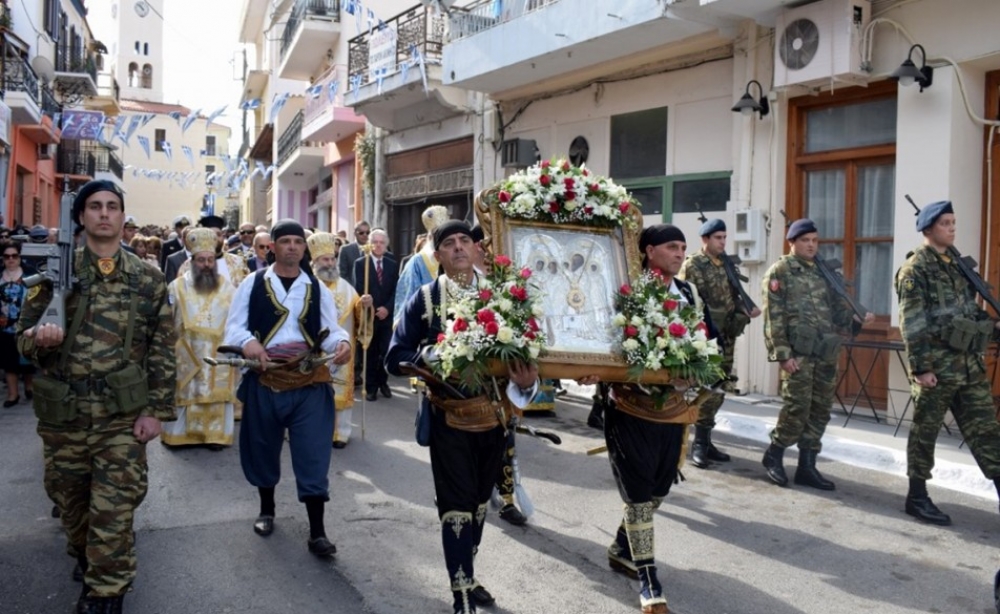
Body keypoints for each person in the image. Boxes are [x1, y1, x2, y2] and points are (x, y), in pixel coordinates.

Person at [16, 179, 176, 613]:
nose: (104, 213)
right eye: (94, 206)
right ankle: (91, 561)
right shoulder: (53, 274)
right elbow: (21, 342)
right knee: (71, 504)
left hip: (120, 416)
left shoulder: (147, 278)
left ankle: (106, 594)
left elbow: (162, 347)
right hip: (63, 414)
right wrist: (39, 338)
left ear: (123, 217)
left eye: (112, 206)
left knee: (114, 508)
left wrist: (157, 411)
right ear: (81, 217)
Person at [386, 220, 539, 614]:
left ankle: (465, 573)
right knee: (455, 505)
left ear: (477, 250)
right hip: (449, 419)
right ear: (436, 256)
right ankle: (462, 596)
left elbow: (529, 359)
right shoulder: (425, 298)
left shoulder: (505, 298)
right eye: (448, 244)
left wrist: (527, 380)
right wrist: (430, 358)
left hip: (496, 421)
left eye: (464, 241)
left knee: (477, 505)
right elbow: (395, 356)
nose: (457, 248)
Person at [588, 224, 716, 614]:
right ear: (648, 251)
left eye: (683, 247)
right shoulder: (626, 290)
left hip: (675, 409)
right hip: (629, 407)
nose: (680, 254)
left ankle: (622, 548)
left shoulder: (689, 292)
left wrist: (696, 369)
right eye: (671, 247)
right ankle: (648, 579)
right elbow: (603, 337)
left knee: (659, 487)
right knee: (640, 492)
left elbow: (710, 342)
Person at [223, 219, 352, 558]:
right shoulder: (251, 284)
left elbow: (332, 328)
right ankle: (267, 510)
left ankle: (318, 532)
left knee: (313, 455)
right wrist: (249, 342)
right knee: (263, 448)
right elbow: (233, 329)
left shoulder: (315, 286)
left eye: (298, 241)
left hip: (309, 381)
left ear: (304, 248)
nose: (292, 247)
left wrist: (342, 344)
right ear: (272, 247)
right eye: (285, 242)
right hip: (265, 381)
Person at [895, 200, 1000, 525]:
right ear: (928, 229)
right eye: (945, 223)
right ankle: (917, 496)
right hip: (936, 368)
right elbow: (912, 322)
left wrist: (990, 329)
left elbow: (968, 312)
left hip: (967, 365)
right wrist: (921, 368)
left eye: (954, 222)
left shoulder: (958, 265)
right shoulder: (916, 269)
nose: (952, 228)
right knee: (925, 432)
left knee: (987, 431)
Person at [760, 218, 873, 491]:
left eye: (814, 241)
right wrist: (783, 355)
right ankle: (774, 454)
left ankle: (807, 466)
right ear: (792, 243)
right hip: (798, 353)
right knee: (797, 407)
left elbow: (838, 310)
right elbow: (773, 319)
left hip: (825, 352)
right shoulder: (781, 271)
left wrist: (857, 320)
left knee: (821, 409)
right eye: (805, 241)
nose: (811, 245)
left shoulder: (824, 271)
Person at [678, 218, 761, 468]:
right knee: (706, 386)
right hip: (706, 338)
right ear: (705, 239)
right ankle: (698, 443)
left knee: (719, 387)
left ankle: (707, 439)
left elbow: (733, 296)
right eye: (718, 238)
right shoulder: (693, 264)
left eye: (725, 237)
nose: (723, 242)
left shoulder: (726, 264)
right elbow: (685, 300)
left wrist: (746, 308)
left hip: (727, 336)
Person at [162, 228, 238, 450]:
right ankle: (180, 436)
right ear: (192, 260)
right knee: (187, 391)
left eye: (211, 259)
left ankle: (214, 436)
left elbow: (236, 318)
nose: (206, 264)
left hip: (218, 352)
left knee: (216, 393)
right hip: (187, 351)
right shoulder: (176, 287)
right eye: (201, 259)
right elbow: (166, 320)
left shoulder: (227, 287)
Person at [307, 232, 363, 448]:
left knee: (339, 388)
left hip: (341, 350)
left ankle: (340, 433)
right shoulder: (307, 285)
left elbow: (359, 315)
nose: (329, 263)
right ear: (315, 262)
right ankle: (312, 431)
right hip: (314, 351)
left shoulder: (346, 288)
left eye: (332, 259)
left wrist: (364, 307)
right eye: (324, 260)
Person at [353, 228, 397, 402]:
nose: (378, 245)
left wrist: (387, 308)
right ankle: (370, 387)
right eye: (375, 242)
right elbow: (358, 288)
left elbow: (396, 290)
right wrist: (370, 305)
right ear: (370, 244)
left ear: (386, 245)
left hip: (387, 315)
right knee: (370, 352)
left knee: (386, 351)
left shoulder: (392, 264)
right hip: (369, 316)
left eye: (382, 242)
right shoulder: (360, 263)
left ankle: (383, 382)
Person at [394, 206, 450, 324]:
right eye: (437, 235)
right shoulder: (416, 263)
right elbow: (406, 300)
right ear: (429, 237)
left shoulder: (454, 258)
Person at [0, 240, 34, 407]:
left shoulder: (30, 276)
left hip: (26, 325)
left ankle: (29, 387)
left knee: (27, 359)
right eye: (7, 257)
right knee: (9, 362)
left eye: (14, 256)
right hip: (4, 327)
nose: (11, 259)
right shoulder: (0, 276)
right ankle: (13, 395)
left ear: (20, 257)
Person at [175, 215, 250, 288]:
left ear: (223, 237)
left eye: (218, 234)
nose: (215, 239)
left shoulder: (237, 262)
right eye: (211, 235)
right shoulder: (188, 266)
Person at [339, 221, 370, 287]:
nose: (365, 235)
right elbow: (342, 273)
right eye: (361, 233)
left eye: (367, 233)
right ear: (355, 233)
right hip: (351, 290)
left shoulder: (373, 249)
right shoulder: (346, 249)